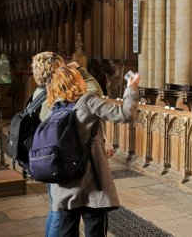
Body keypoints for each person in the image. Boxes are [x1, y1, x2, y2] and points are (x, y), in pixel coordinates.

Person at [46, 66, 140, 236]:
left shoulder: (55, 107)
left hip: (64, 185)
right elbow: (126, 114)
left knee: (66, 232)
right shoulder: (88, 101)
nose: (83, 79)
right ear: (74, 82)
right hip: (91, 185)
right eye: (79, 77)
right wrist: (132, 88)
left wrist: (99, 148)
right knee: (95, 232)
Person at [30, 51, 103, 237]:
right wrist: (81, 71)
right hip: (63, 161)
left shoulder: (41, 92)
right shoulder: (57, 97)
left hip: (49, 158)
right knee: (60, 215)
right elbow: (95, 93)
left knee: (56, 211)